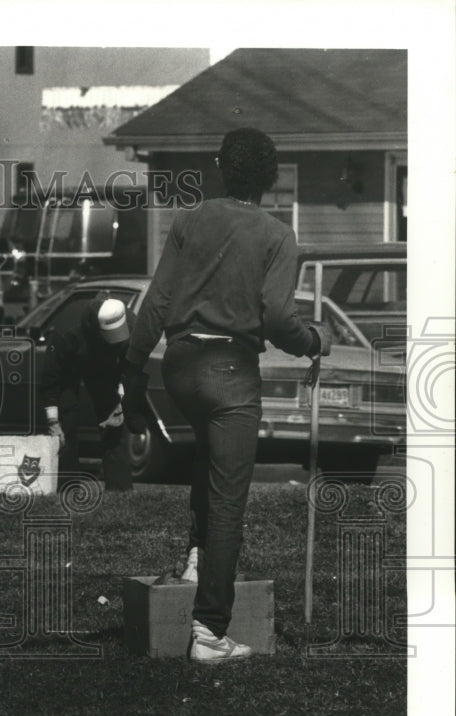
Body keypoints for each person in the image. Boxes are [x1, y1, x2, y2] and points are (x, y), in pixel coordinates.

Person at [121, 127, 332, 663]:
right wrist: (314, 342)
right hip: (231, 371)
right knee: (228, 502)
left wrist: (130, 368)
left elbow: (158, 300)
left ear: (220, 167)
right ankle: (210, 633)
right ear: (271, 178)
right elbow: (281, 319)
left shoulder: (189, 219)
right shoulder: (279, 236)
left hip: (178, 365)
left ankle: (195, 558)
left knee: (207, 462)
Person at [41, 295, 135, 492]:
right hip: (70, 366)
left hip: (106, 367)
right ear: (96, 330)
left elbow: (133, 366)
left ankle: (119, 490)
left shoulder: (131, 322)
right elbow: (51, 379)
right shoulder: (67, 332)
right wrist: (53, 421)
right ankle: (66, 488)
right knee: (66, 423)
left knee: (115, 423)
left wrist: (120, 399)